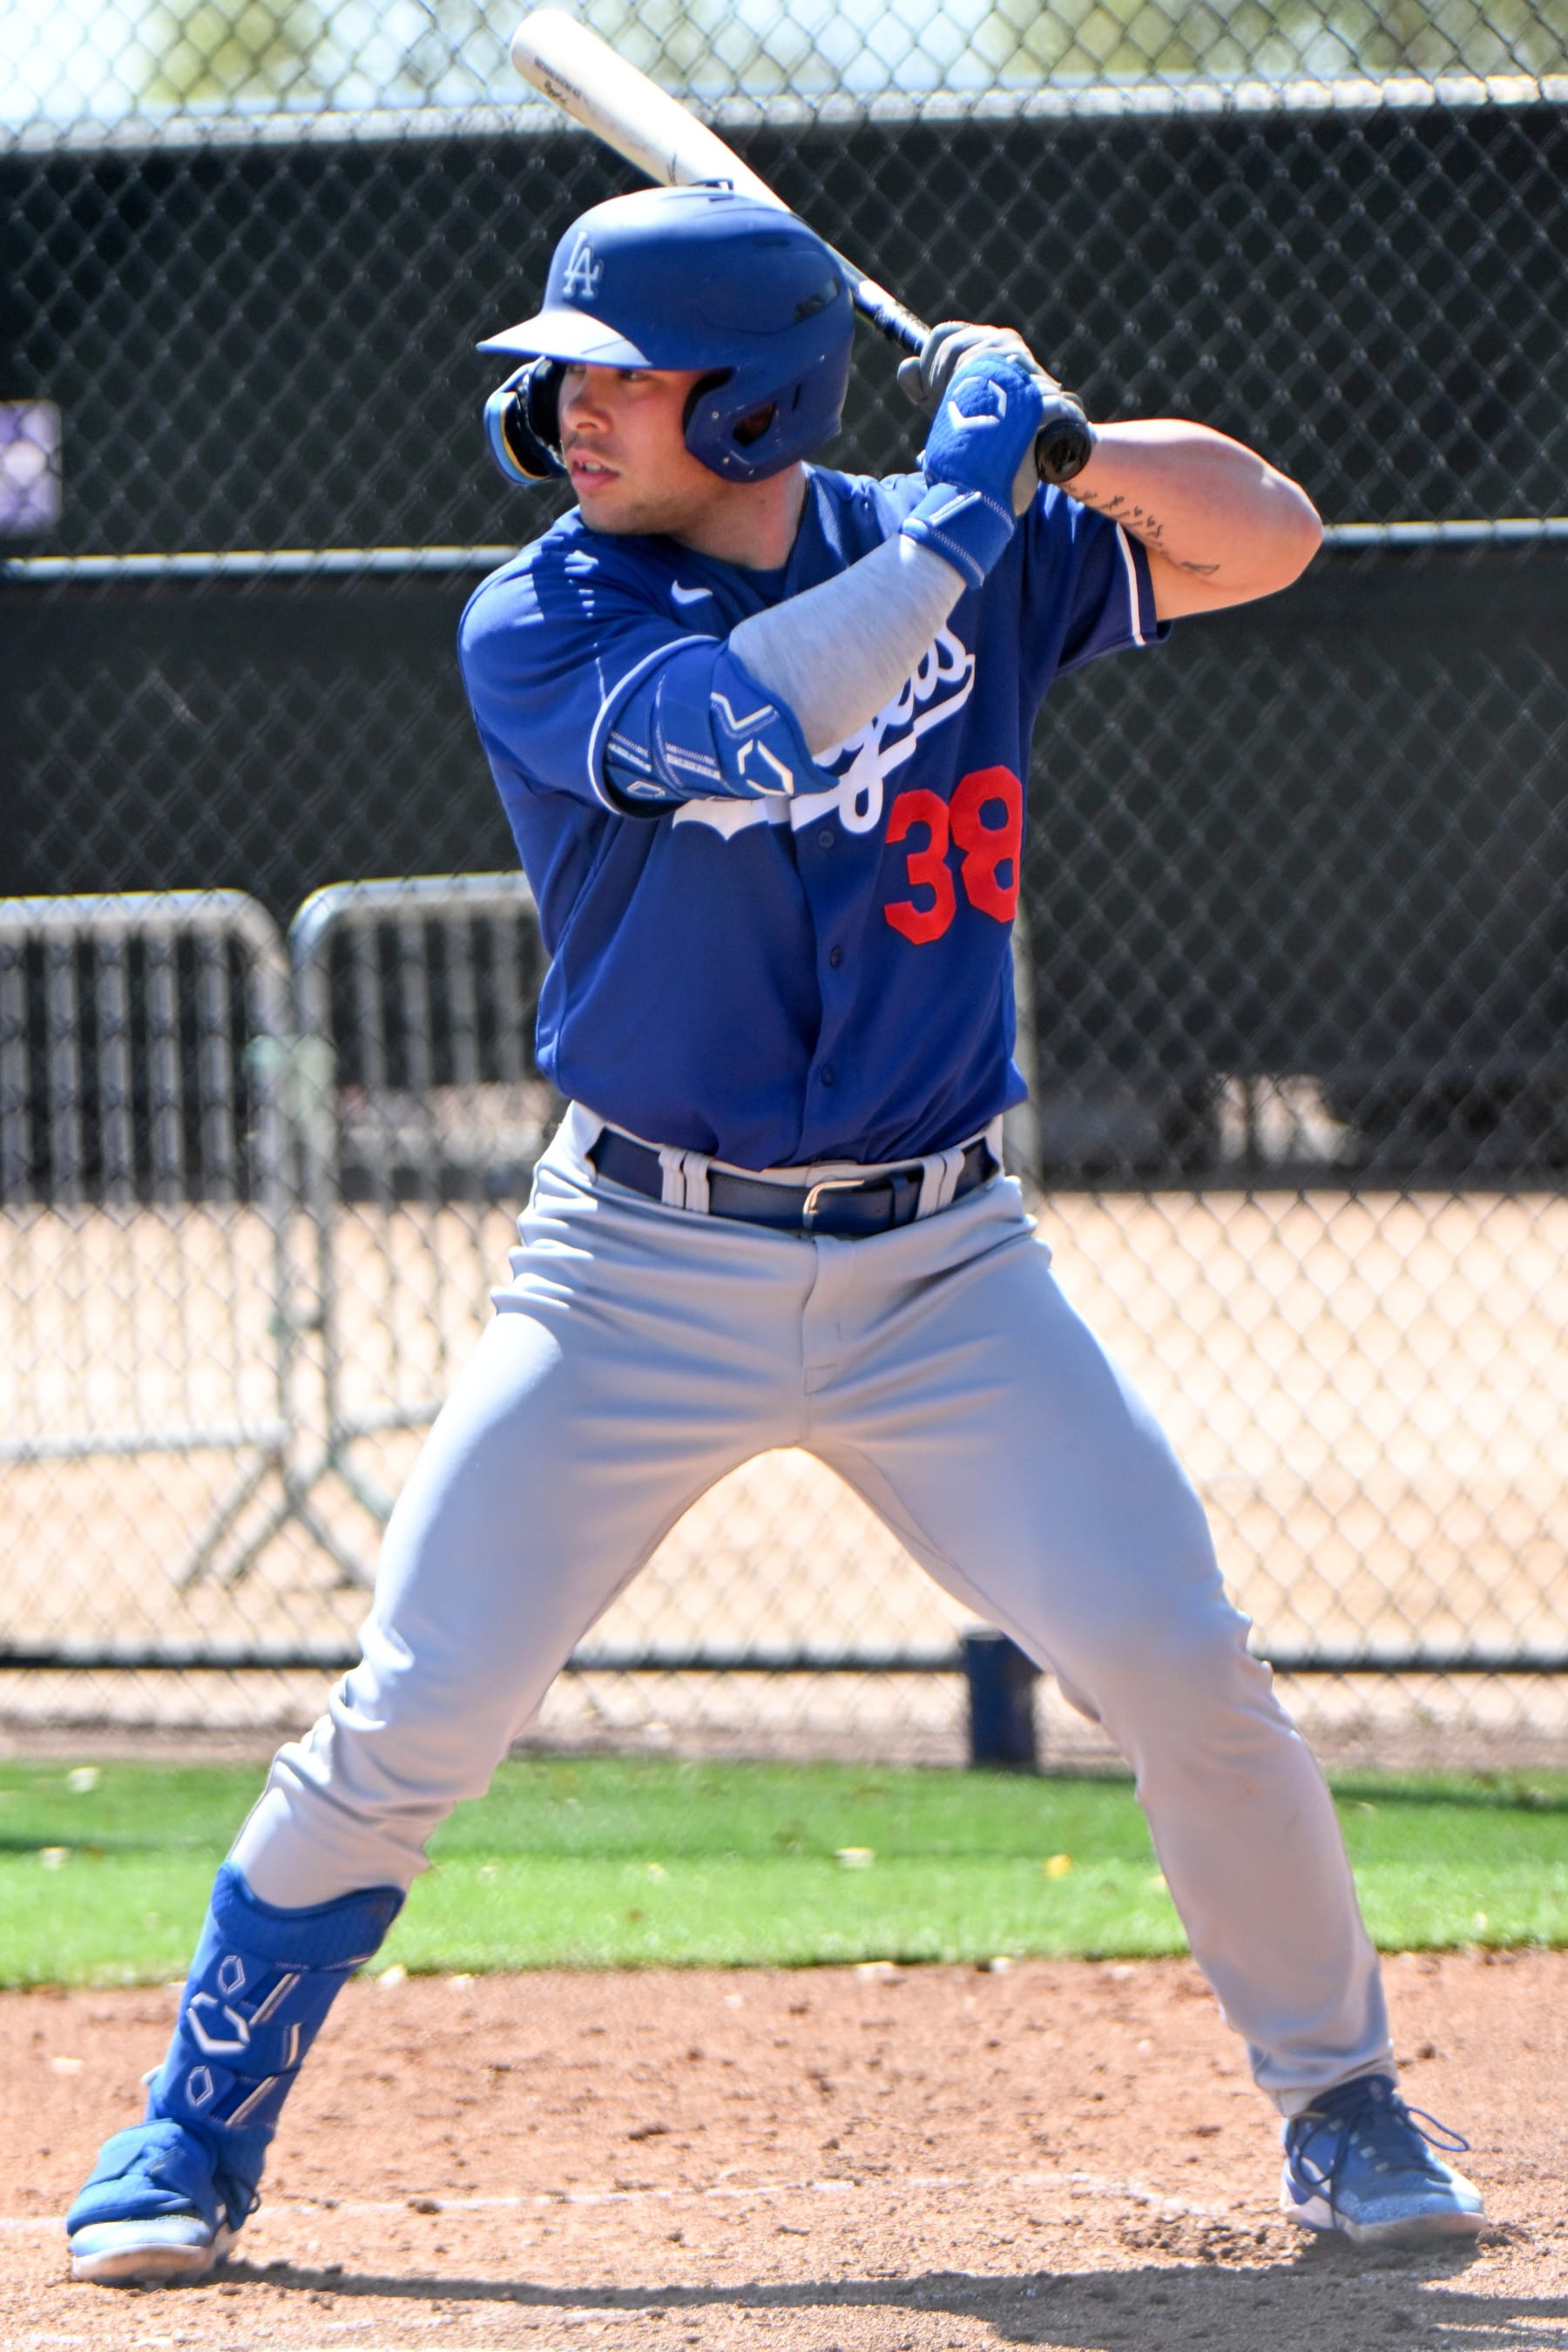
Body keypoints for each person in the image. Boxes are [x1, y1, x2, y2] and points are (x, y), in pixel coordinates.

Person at [65, 182, 1484, 2287]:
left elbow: (1272, 533)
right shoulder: (544, 617)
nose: (570, 421)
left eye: (616, 380)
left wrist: (1069, 452)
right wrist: (963, 514)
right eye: (555, 385)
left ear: (754, 401)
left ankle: (1347, 2100)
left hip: (947, 1274)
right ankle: (194, 2126)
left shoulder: (972, 545)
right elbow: (765, 724)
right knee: (418, 1706)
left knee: (1186, 1663)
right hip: (634, 1265)